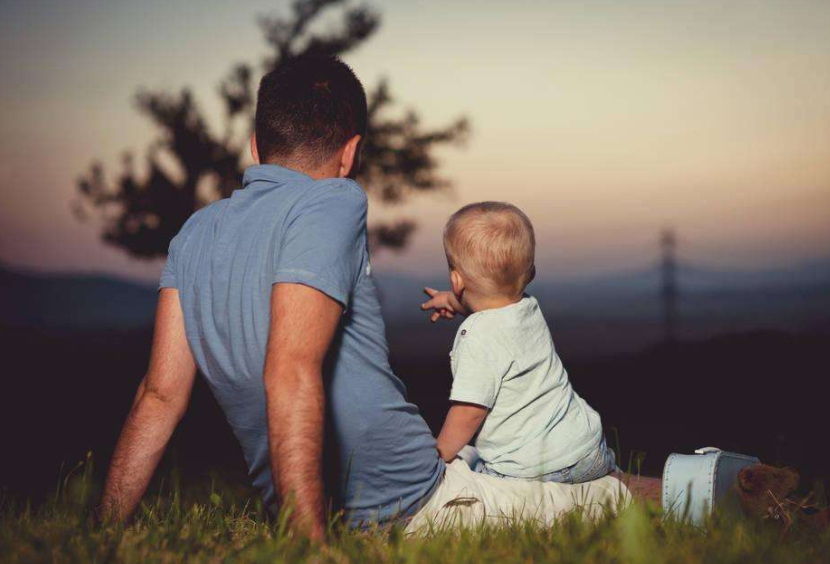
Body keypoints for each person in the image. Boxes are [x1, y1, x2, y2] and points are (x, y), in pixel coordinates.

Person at [99, 54, 642, 541]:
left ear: (256, 147)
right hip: (413, 503)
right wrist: (307, 549)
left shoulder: (194, 233)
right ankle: (714, 483)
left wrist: (104, 531)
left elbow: (160, 396)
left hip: (340, 501)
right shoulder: (333, 199)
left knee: (495, 457)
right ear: (350, 153)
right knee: (608, 493)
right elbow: (289, 369)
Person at [421, 202, 616, 485]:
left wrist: (437, 456)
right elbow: (494, 308)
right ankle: (605, 484)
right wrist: (451, 300)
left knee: (468, 476)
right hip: (588, 450)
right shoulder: (527, 308)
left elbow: (468, 412)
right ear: (530, 273)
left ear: (456, 279)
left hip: (535, 468)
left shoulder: (477, 337)